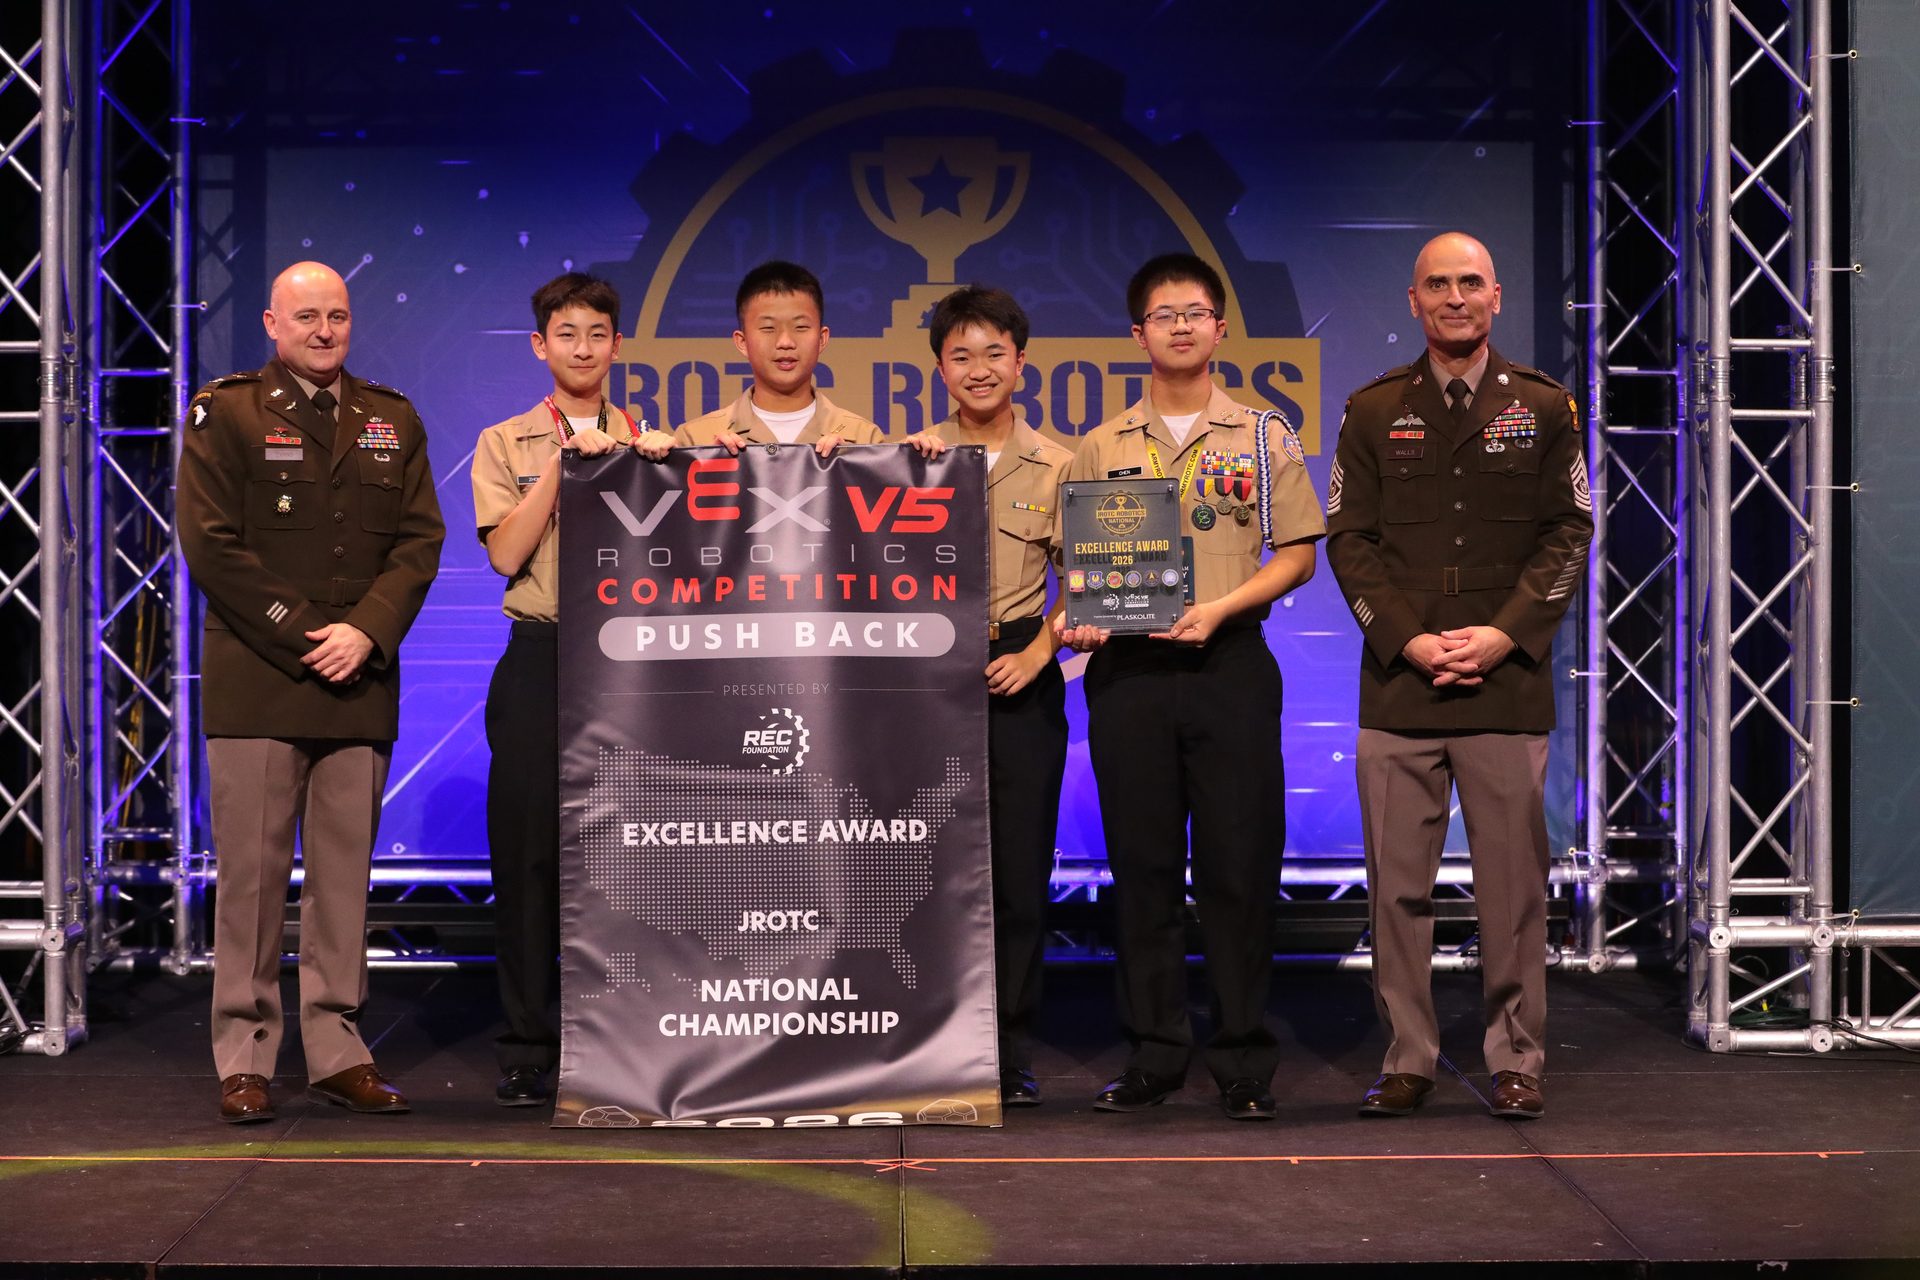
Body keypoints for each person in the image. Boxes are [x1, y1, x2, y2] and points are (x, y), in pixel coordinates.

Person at [1325, 232, 1592, 1121]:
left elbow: (1569, 533)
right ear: (1413, 301)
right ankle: (1409, 1057)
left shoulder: (1550, 408)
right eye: (1436, 284)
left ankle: (1516, 1057)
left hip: (1505, 686)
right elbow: (1349, 543)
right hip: (1400, 686)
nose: (1453, 297)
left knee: (1511, 890)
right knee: (1396, 888)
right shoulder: (1371, 411)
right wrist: (1407, 641)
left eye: (1469, 282)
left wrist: (1501, 636)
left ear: (1497, 296)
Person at [1056, 253, 1324, 1120]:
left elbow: (1297, 553)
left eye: (1195, 312)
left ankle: (1244, 1057)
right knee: (1142, 868)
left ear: (1217, 328)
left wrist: (1219, 608)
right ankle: (1155, 1054)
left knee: (1239, 867)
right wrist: (1081, 621)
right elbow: (1082, 575)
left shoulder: (1262, 434)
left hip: (1229, 666)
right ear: (1137, 334)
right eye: (1162, 314)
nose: (1179, 325)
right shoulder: (1099, 445)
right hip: (1129, 674)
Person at [178, 261, 445, 1123]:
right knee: (252, 883)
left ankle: (336, 1050)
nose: (324, 331)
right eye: (306, 317)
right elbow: (212, 545)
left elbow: (417, 542)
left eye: (337, 315)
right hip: (262, 677)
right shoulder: (229, 412)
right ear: (271, 323)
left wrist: (365, 630)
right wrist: (307, 634)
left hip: (357, 679)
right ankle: (245, 1056)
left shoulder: (390, 418)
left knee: (343, 881)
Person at [470, 273, 656, 1106]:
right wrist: (560, 467)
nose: (583, 349)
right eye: (566, 334)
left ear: (618, 345)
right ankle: (526, 1040)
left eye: (598, 334)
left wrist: (652, 464)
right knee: (531, 855)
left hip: (635, 664)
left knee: (636, 860)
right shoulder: (505, 441)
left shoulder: (655, 439)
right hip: (542, 654)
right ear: (541, 346)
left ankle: (625, 1031)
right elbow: (506, 556)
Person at [905, 286, 1072, 1107]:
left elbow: (1092, 582)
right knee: (917, 871)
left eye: (994, 353)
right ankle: (925, 1039)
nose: (978, 369)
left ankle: (1005, 1047)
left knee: (1015, 872)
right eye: (961, 355)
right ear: (939, 368)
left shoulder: (1062, 464)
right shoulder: (906, 459)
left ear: (1021, 363)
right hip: (917, 681)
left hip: (1019, 673)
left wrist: (1040, 651)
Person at [649, 261, 882, 459]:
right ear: (742, 341)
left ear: (822, 339)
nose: (785, 342)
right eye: (768, 328)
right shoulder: (696, 440)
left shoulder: (863, 439)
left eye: (800, 327)